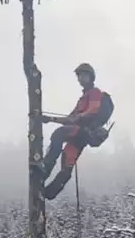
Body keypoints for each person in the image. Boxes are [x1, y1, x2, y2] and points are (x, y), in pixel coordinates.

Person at [39, 62, 105, 200]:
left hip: (83, 131)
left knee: (59, 134)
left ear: (90, 77)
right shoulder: (83, 98)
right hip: (81, 135)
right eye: (79, 76)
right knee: (67, 161)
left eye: (83, 75)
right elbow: (69, 119)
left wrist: (80, 116)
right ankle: (49, 192)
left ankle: (45, 168)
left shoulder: (94, 92)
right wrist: (50, 118)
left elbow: (93, 108)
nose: (80, 79)